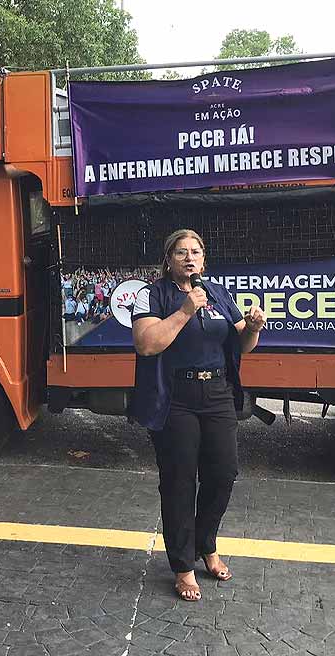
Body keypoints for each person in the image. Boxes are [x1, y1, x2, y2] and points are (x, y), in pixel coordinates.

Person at [129, 229, 266, 603]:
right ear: (168, 259)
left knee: (223, 473)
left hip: (218, 392)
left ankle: (207, 544)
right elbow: (147, 343)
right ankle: (183, 565)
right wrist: (185, 310)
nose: (189, 258)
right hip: (176, 396)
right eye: (180, 252)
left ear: (204, 258)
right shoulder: (153, 294)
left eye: (196, 252)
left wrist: (252, 328)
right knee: (179, 481)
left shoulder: (218, 293)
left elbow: (242, 344)